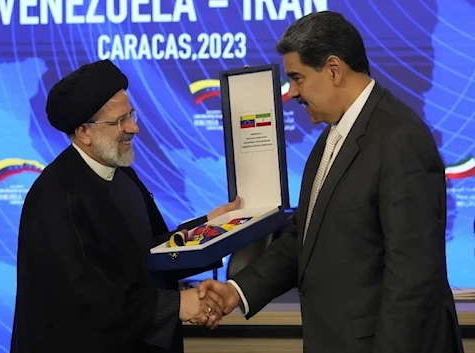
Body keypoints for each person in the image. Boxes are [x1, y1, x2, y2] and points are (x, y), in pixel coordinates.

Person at [197, 11, 464, 353]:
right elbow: (302, 239)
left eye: (298, 78)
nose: (291, 92)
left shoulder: (400, 138)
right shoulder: (330, 140)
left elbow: (412, 279)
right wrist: (237, 290)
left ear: (334, 69)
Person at [9, 59, 237, 353]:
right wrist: (179, 304)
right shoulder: (55, 196)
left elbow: (152, 252)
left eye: (131, 115)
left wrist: (208, 228)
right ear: (84, 132)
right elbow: (88, 303)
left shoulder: (122, 175)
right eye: (120, 121)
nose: (134, 128)